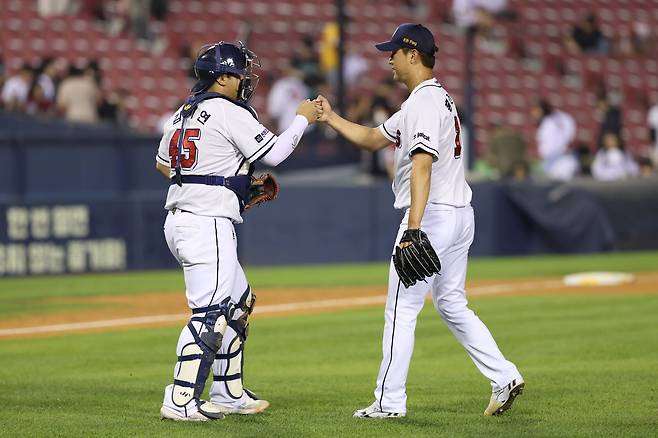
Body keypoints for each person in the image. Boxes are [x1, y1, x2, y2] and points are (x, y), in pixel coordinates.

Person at [315, 23, 523, 418]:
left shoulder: (424, 103)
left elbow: (422, 165)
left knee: (401, 308)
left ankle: (388, 402)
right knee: (451, 303)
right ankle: (504, 376)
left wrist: (413, 228)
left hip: (433, 216)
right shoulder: (430, 101)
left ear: (413, 55)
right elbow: (374, 138)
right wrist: (332, 118)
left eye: (393, 52)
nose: (388, 59)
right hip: (459, 215)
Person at [155, 41, 319, 421]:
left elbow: (166, 166)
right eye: (239, 72)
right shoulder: (228, 110)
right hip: (205, 221)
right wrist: (303, 118)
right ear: (223, 77)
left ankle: (227, 391)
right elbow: (275, 154)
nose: (245, 78)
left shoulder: (182, 113)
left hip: (182, 218)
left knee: (238, 304)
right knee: (210, 312)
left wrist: (228, 182)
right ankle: (180, 398)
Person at [531, 99, 577, 180]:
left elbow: (550, 147)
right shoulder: (549, 121)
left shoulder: (549, 123)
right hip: (554, 160)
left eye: (536, 110)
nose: (534, 113)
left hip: (559, 161)